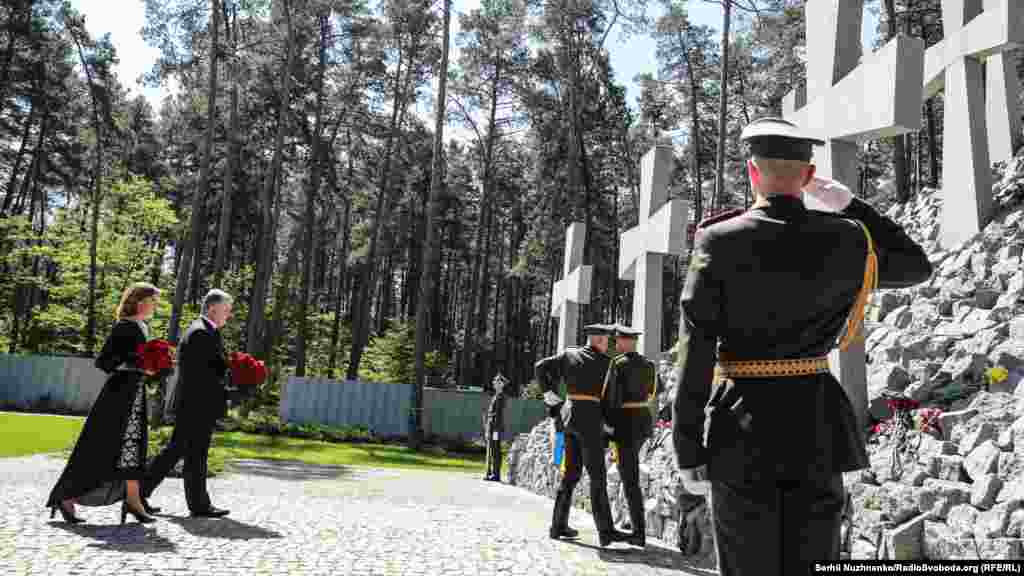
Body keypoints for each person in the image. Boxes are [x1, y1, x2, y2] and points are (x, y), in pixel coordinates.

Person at [671, 117, 933, 576]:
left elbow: (696, 350)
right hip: (816, 425)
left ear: (751, 171)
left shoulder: (719, 239)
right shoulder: (847, 237)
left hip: (741, 426)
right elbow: (916, 265)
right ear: (809, 176)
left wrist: (687, 445)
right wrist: (852, 205)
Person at [46, 282, 161, 525]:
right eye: (153, 301)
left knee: (133, 448)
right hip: (118, 397)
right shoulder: (124, 327)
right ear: (140, 302)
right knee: (99, 449)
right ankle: (65, 497)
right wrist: (138, 363)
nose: (156, 306)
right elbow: (104, 362)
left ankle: (133, 500)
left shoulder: (142, 327)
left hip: (134, 395)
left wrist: (152, 368)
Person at [143, 289, 234, 518]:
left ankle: (196, 504)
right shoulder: (201, 332)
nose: (229, 314)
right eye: (226, 309)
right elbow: (203, 375)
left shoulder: (205, 331)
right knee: (184, 452)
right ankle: (138, 494)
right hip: (196, 404)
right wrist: (232, 386)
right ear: (212, 308)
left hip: (196, 404)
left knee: (189, 453)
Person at [535, 323, 628, 547]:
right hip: (590, 423)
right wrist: (611, 426)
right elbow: (611, 400)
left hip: (568, 420)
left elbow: (540, 366)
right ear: (599, 340)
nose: (608, 345)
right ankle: (606, 532)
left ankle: (558, 526)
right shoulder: (607, 363)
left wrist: (548, 393)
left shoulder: (569, 355)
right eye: (607, 341)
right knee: (598, 477)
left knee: (570, 475)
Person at [602, 324, 660, 548]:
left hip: (625, 424)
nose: (616, 344)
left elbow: (611, 397)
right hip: (643, 422)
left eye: (618, 340)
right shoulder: (649, 365)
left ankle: (638, 533)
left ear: (626, 342)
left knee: (630, 479)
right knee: (631, 475)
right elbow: (655, 391)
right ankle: (637, 529)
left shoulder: (617, 364)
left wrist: (608, 424)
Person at [483, 372, 509, 482]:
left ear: (501, 384)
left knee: (495, 450)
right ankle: (491, 472)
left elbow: (498, 415)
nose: (494, 383)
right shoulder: (496, 396)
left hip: (495, 429)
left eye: (497, 381)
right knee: (492, 449)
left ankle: (496, 474)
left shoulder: (501, 397)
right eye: (494, 381)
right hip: (492, 427)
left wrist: (494, 429)